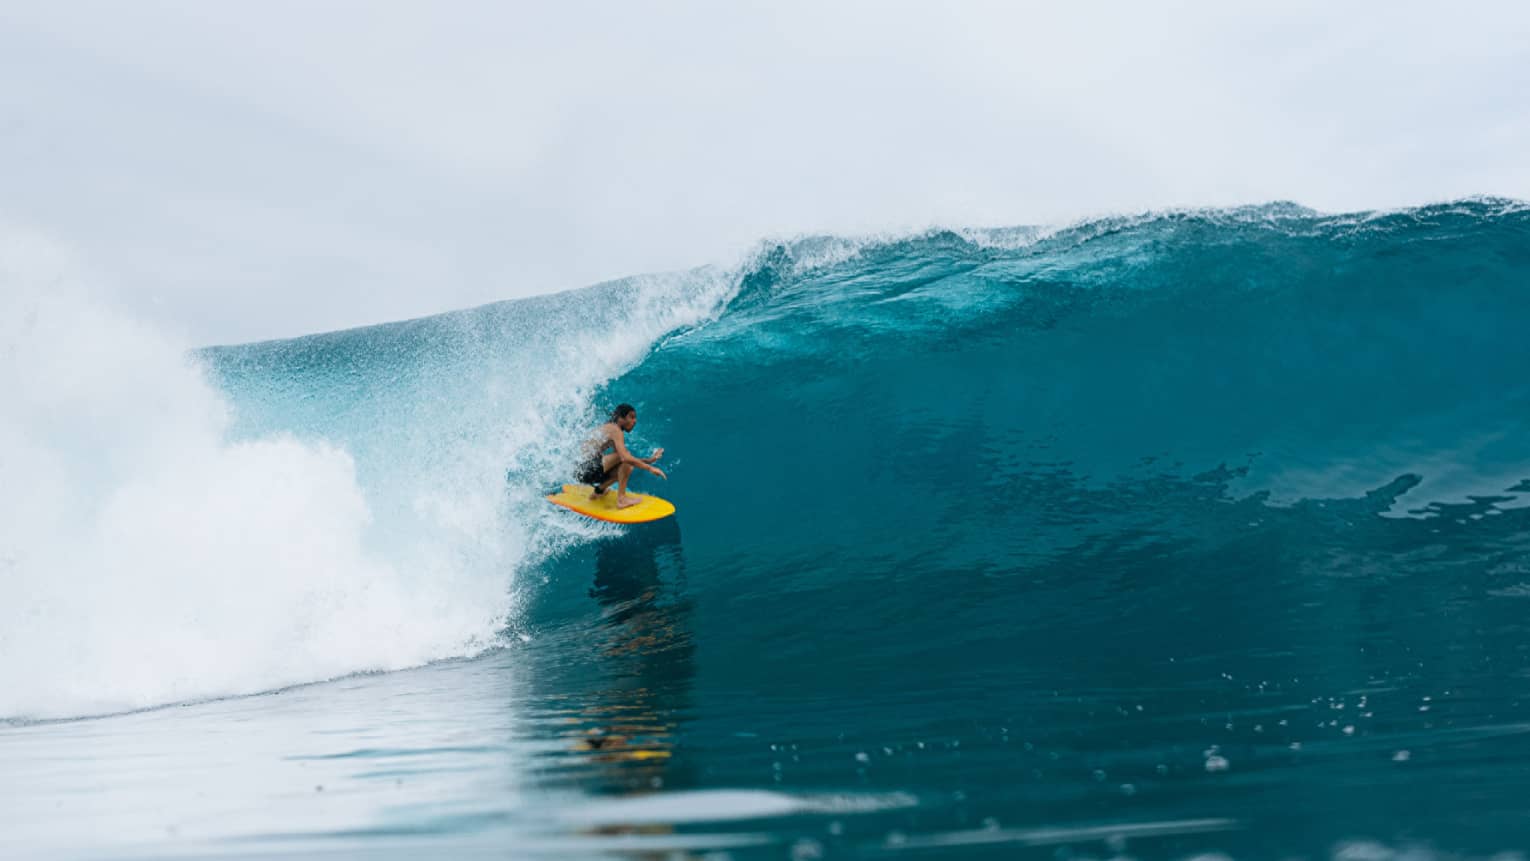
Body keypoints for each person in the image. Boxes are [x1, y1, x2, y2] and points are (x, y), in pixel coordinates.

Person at [576, 404, 666, 508]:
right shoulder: (615, 430)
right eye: (631, 417)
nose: (634, 421)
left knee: (624, 465)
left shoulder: (611, 429)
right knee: (626, 459)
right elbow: (625, 457)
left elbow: (623, 460)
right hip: (585, 469)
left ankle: (598, 492)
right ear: (621, 418)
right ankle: (622, 499)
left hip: (583, 472)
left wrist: (650, 460)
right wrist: (650, 468)